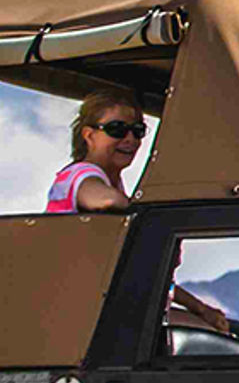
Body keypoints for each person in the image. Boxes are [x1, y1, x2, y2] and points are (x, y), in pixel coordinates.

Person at [47, 88, 228, 333]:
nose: (130, 139)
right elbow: (102, 199)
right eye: (117, 130)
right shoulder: (78, 175)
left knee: (214, 332)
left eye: (138, 131)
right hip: (82, 307)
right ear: (89, 135)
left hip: (110, 301)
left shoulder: (115, 184)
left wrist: (199, 308)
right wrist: (153, 211)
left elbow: (156, 279)